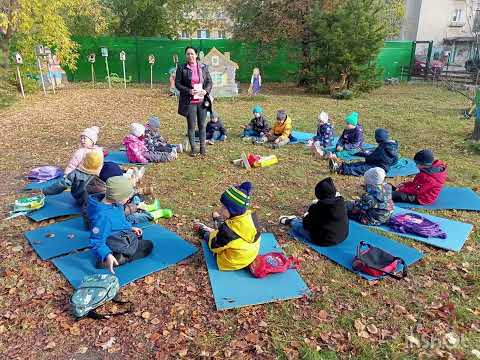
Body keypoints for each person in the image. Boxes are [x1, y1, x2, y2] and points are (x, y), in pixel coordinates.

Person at [87, 176, 154, 273]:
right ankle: (121, 257)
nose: (128, 199)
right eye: (126, 197)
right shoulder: (103, 218)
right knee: (148, 246)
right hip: (116, 241)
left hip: (118, 235)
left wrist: (130, 228)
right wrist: (107, 255)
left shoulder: (113, 202)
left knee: (139, 236)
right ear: (118, 197)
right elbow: (96, 240)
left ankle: (115, 254)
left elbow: (119, 219)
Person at [193, 181, 261, 271]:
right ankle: (218, 223)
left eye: (224, 207)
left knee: (210, 237)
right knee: (224, 233)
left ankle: (203, 230)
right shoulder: (252, 217)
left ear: (233, 210)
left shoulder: (227, 232)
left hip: (231, 262)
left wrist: (211, 234)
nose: (221, 210)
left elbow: (214, 247)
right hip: (250, 256)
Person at [279, 177, 349, 246]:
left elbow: (306, 225)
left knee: (298, 226)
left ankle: (291, 220)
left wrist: (306, 216)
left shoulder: (318, 208)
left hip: (325, 240)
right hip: (342, 235)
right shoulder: (341, 201)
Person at [175, 46, 213, 157]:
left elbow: (209, 82)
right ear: (185, 55)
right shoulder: (181, 68)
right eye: (188, 54)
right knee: (191, 126)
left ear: (196, 55)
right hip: (189, 101)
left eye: (192, 53)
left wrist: (205, 91)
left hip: (202, 101)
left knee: (202, 125)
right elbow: (177, 84)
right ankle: (193, 149)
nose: (190, 56)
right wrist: (189, 91)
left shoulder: (203, 67)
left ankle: (202, 148)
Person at [329, 128, 399, 176]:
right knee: (360, 164)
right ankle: (343, 166)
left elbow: (372, 158)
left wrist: (366, 156)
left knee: (361, 169)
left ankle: (340, 169)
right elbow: (395, 160)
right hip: (378, 164)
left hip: (379, 168)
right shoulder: (392, 146)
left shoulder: (382, 148)